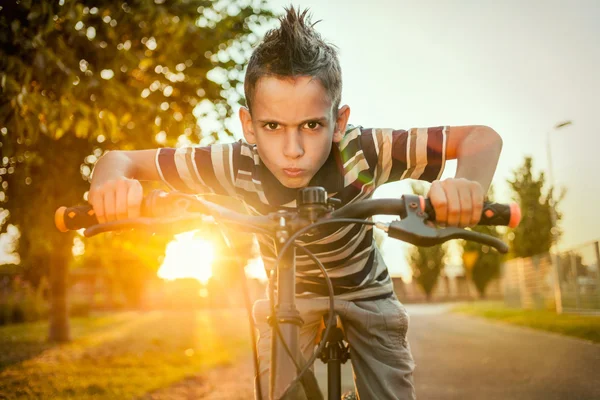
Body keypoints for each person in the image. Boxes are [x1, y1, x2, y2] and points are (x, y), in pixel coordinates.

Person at [88, 6, 502, 400]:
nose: (293, 149)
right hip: (290, 295)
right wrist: (111, 186)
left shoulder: (367, 149)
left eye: (311, 125)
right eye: (272, 126)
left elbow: (480, 139)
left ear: (338, 123)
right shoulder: (235, 163)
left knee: (389, 389)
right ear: (248, 125)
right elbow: (118, 160)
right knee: (277, 391)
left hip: (365, 291)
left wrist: (466, 183)